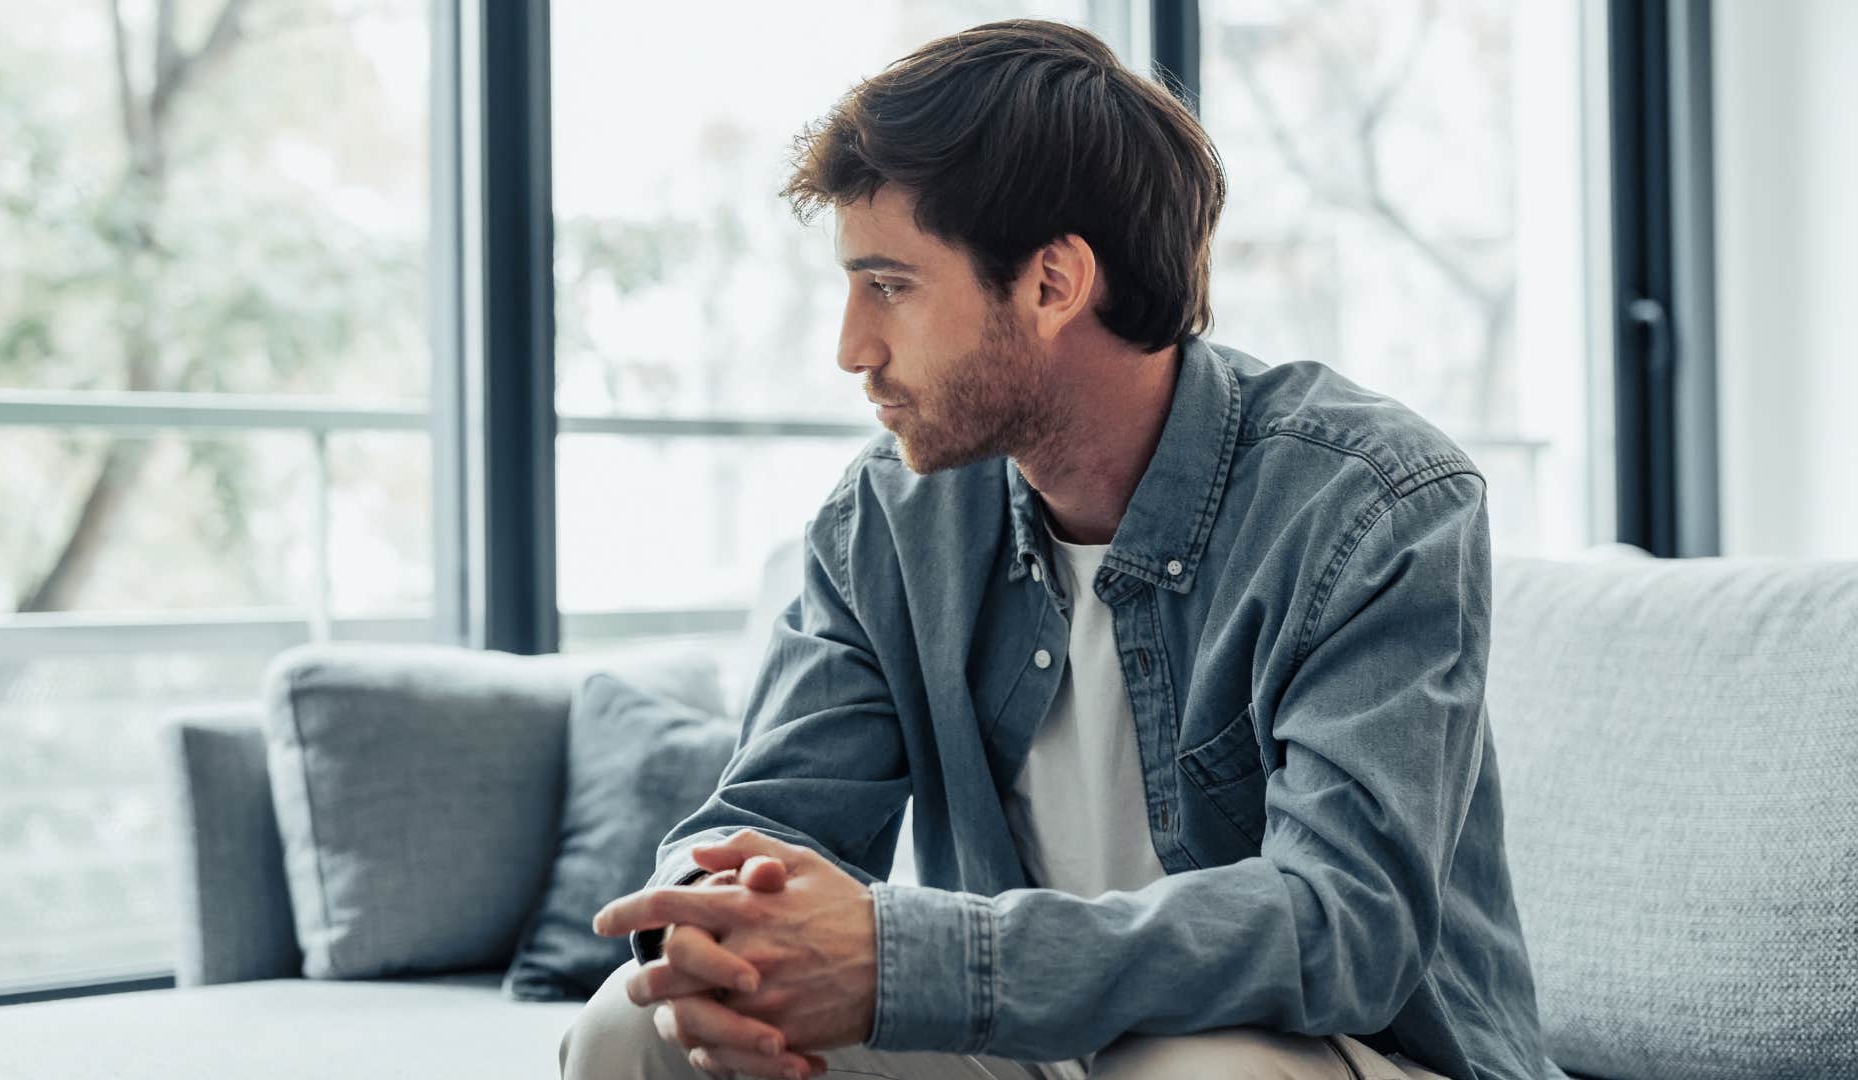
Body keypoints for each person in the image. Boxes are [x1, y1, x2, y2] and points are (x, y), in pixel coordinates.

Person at [563, 18, 1560, 1080]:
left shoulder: (1372, 506)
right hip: (1019, 1045)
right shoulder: (891, 522)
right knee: (636, 1027)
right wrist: (713, 937)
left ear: (1052, 283)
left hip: (1324, 1048)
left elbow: (1341, 928)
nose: (851, 347)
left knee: (1199, 1071)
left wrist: (914, 956)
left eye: (890, 285)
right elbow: (766, 821)